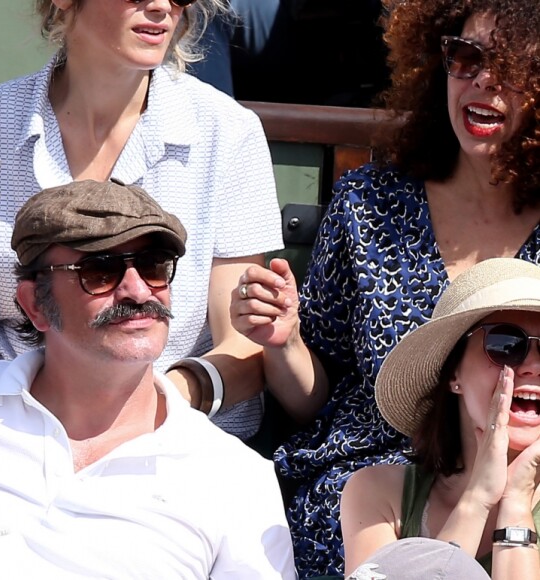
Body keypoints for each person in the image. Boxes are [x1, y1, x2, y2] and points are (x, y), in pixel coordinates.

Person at [229, 0, 540, 575]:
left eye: (516, 66)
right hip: (368, 493)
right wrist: (284, 342)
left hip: (526, 482)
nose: (484, 80)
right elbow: (316, 397)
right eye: (467, 57)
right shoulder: (370, 202)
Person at [0, 0, 284, 440]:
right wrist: (21, 424)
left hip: (180, 437)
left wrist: (160, 404)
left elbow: (245, 347)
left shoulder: (228, 132)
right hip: (8, 432)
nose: (160, 6)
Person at [0, 179, 296, 579]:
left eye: (153, 266)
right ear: (35, 304)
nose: (138, 291)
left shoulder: (232, 478)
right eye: (99, 270)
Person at [341, 257, 540, 579]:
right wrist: (478, 499)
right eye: (506, 345)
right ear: (453, 373)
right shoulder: (378, 492)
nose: (533, 365)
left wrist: (516, 505)